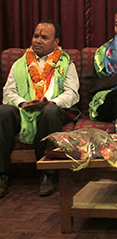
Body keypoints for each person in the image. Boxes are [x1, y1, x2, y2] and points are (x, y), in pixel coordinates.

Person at [0, 20, 79, 197]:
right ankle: (2, 174)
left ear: (56, 42)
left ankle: (48, 174)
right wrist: (23, 103)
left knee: (49, 112)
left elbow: (72, 93)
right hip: (23, 109)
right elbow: (8, 92)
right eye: (36, 36)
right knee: (3, 112)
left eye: (44, 38)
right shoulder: (19, 64)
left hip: (53, 108)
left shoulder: (67, 63)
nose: (38, 40)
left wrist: (51, 103)